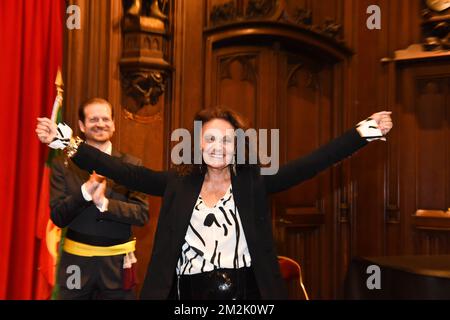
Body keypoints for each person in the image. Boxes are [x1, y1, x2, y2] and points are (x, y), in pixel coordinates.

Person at [36, 107, 393, 300]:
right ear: (197, 143)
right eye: (210, 138)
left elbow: (311, 164)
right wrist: (66, 141)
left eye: (227, 139)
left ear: (238, 144)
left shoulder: (254, 184)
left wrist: (363, 133)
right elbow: (120, 171)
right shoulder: (176, 184)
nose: (218, 145)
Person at [43, 98, 149, 299]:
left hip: (118, 266)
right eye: (93, 119)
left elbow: (142, 214)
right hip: (76, 264)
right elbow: (58, 216)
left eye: (105, 119)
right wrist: (84, 192)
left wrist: (105, 204)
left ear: (114, 124)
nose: (100, 124)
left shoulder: (131, 165)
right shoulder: (63, 165)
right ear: (82, 126)